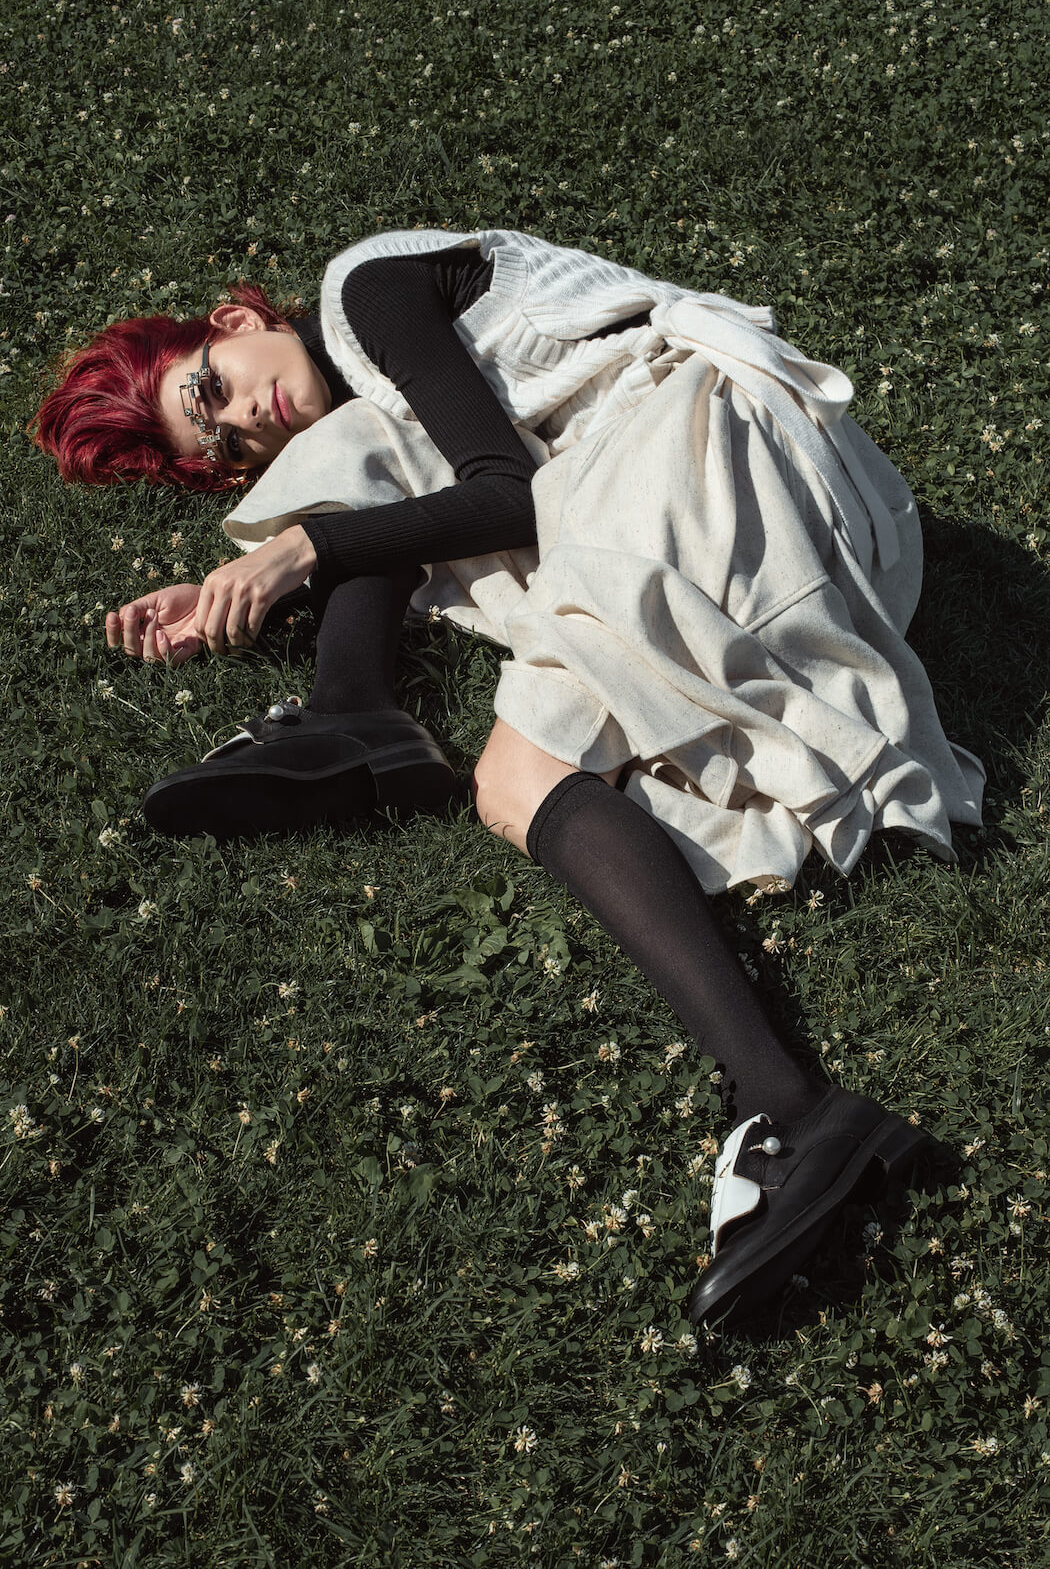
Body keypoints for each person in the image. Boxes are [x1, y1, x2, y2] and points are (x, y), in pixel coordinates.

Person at [32, 228, 985, 1325]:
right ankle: (354, 714)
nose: (247, 419)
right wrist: (240, 585)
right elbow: (434, 474)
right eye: (228, 446)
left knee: (513, 755)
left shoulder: (367, 289)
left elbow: (502, 494)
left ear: (235, 320)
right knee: (506, 750)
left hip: (706, 455)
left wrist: (300, 553)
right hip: (797, 510)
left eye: (212, 390)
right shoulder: (369, 391)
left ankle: (793, 1107)